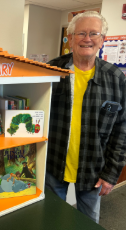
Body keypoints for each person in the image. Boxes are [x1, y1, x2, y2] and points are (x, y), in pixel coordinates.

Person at [45, 11, 126, 223]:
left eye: (93, 33)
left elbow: (122, 130)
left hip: (93, 171)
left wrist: (111, 174)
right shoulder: (51, 71)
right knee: (51, 219)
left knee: (88, 223)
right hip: (54, 166)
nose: (87, 38)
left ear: (102, 40)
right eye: (80, 33)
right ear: (70, 38)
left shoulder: (116, 79)